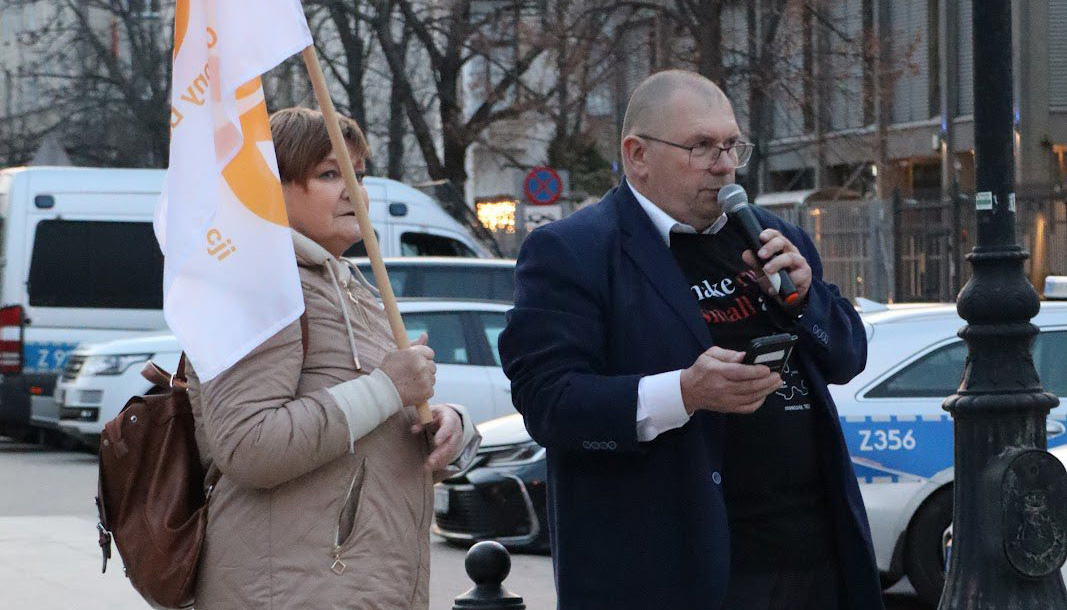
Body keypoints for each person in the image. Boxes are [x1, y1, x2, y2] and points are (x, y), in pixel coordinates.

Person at [498, 70, 883, 610]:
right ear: (637, 155)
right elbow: (549, 403)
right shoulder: (575, 251)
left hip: (812, 561)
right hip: (670, 572)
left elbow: (847, 357)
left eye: (732, 145)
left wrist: (804, 300)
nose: (723, 165)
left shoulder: (770, 235)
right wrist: (683, 392)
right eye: (701, 146)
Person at [186, 106, 480, 609]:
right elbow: (247, 445)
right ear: (270, 187)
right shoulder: (258, 287)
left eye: (358, 175)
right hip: (294, 590)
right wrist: (387, 388)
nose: (354, 191)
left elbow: (368, 429)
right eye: (329, 174)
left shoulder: (347, 286)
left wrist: (450, 426)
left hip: (359, 586)